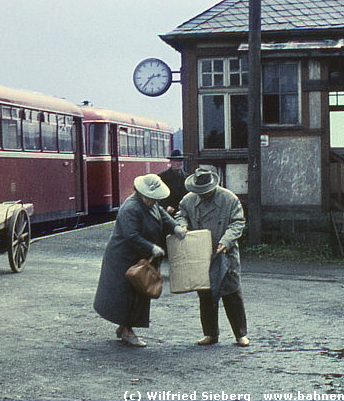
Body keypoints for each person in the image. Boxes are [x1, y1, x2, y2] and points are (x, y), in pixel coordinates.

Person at [94, 174, 185, 347]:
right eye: (151, 198)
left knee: (139, 292)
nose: (153, 201)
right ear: (142, 193)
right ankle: (128, 331)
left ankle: (124, 328)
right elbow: (131, 236)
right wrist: (151, 247)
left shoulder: (150, 203)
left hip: (139, 257)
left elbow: (163, 215)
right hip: (124, 258)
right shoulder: (131, 208)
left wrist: (176, 227)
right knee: (127, 294)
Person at [175, 167, 249, 347]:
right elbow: (180, 215)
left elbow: (238, 222)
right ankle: (210, 333)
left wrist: (227, 241)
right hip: (200, 253)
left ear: (214, 187)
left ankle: (240, 334)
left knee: (231, 292)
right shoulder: (188, 200)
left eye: (206, 192)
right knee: (205, 293)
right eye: (199, 192)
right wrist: (182, 226)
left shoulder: (229, 199)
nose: (203, 195)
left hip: (225, 252)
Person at [158, 149, 188, 215]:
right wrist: (166, 207)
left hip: (183, 212)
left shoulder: (187, 177)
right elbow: (157, 196)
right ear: (171, 162)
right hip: (168, 213)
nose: (179, 163)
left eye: (180, 161)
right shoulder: (162, 177)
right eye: (175, 161)